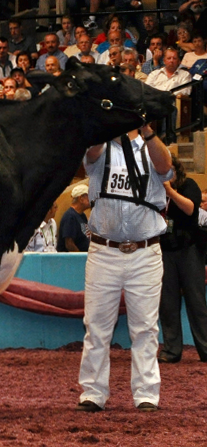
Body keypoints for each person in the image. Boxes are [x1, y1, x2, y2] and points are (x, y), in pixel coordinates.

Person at [76, 126, 173, 413]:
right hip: (104, 250)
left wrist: (148, 133)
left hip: (146, 250)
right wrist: (106, 122)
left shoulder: (150, 145)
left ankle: (147, 394)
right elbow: (90, 154)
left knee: (145, 327)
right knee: (96, 326)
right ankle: (93, 393)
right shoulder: (99, 148)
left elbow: (166, 168)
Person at [158, 156, 207, 364]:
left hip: (189, 250)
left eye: (169, 172)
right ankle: (171, 350)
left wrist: (170, 192)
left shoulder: (189, 186)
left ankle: (205, 349)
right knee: (167, 303)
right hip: (164, 251)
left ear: (176, 171)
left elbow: (190, 209)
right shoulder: (154, 189)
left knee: (196, 302)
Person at [57, 184, 90, 252]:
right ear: (81, 199)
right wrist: (80, 257)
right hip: (73, 260)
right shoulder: (70, 217)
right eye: (89, 197)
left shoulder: (82, 215)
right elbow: (69, 244)